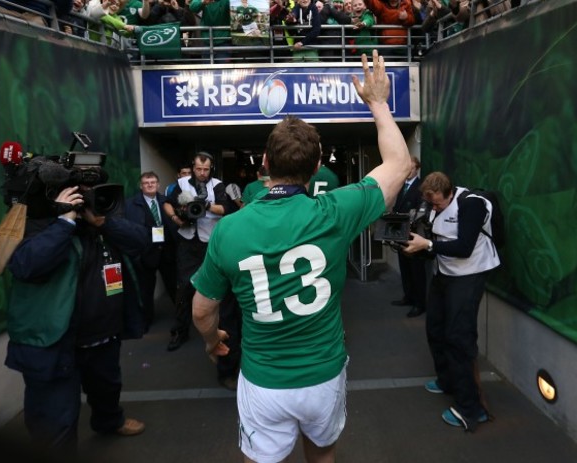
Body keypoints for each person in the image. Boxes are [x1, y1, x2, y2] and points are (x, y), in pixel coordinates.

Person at [190, 50, 411, 463]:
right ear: (315, 169)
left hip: (263, 380)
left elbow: (203, 309)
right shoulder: (335, 211)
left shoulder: (230, 229)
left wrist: (211, 341)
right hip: (322, 376)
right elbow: (398, 163)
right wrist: (377, 102)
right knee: (322, 457)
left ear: (266, 163)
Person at [5, 184, 149, 457]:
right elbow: (26, 264)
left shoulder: (100, 222)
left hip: (104, 336)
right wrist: (63, 221)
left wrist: (103, 223)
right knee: (54, 421)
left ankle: (109, 421)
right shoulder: (35, 221)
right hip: (57, 344)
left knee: (107, 388)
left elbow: (141, 240)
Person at [403, 171, 500, 431]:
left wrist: (428, 246)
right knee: (435, 328)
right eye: (430, 203)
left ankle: (471, 409)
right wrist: (416, 247)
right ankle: (447, 380)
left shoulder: (471, 204)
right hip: (444, 274)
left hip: (469, 276)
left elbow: (464, 247)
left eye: (437, 203)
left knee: (459, 338)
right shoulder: (435, 205)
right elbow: (436, 241)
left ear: (449, 192)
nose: (433, 207)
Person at [162, 152, 231, 351]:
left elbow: (225, 209)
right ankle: (180, 332)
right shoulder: (182, 183)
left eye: (206, 169)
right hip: (187, 242)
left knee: (219, 289)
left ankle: (222, 332)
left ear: (211, 169)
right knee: (184, 288)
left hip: (211, 243)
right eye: (199, 169)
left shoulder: (217, 185)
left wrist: (205, 205)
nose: (202, 173)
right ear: (193, 167)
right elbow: (167, 202)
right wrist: (176, 217)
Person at [125, 171, 178, 330]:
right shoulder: (130, 205)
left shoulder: (167, 201)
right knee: (146, 290)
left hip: (167, 252)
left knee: (174, 286)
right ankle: (146, 321)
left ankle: (184, 318)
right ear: (141, 186)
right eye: (146, 183)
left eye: (153, 182)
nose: (150, 185)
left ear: (158, 184)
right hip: (146, 253)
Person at [391, 156, 427, 317]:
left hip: (414, 236)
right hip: (400, 234)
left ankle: (419, 304)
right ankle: (408, 297)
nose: (408, 171)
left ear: (417, 169)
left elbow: (421, 212)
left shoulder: (421, 188)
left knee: (416, 271)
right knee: (405, 268)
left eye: (411, 168)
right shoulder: (401, 186)